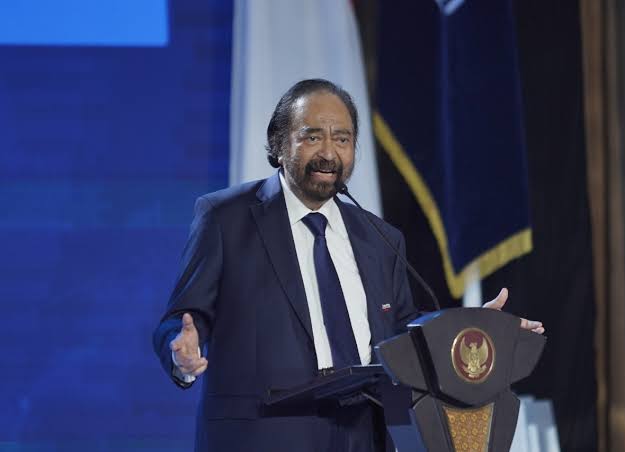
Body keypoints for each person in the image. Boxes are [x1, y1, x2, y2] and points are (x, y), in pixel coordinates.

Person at [153, 79, 544, 452]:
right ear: (278, 144)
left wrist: (472, 328)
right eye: (312, 137)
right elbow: (181, 318)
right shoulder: (225, 218)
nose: (329, 152)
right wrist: (181, 351)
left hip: (362, 436)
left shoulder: (380, 237)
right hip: (262, 437)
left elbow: (406, 335)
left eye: (342, 139)